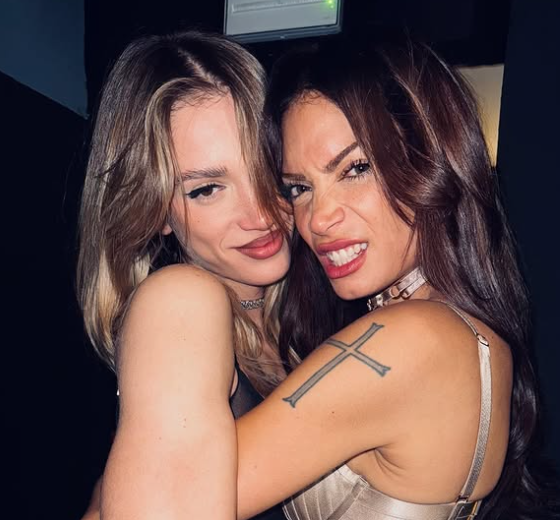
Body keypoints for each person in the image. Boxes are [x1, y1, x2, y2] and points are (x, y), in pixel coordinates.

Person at [231, 39, 555, 520]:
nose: (317, 218)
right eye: (299, 188)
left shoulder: (413, 339)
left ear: (432, 161)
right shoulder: (462, 334)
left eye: (355, 168)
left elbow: (171, 499)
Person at [76, 30, 290, 520]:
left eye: (266, 164)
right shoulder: (179, 303)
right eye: (207, 189)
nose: (259, 213)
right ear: (157, 212)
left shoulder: (300, 322)